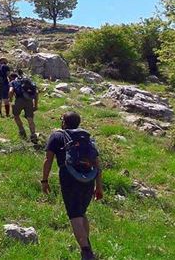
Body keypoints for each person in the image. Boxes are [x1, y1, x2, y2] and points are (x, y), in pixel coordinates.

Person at [42, 111, 103, 260]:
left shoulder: (57, 136)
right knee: (81, 212)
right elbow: (96, 164)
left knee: (74, 214)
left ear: (63, 122)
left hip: (69, 177)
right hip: (88, 178)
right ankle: (87, 245)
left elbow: (48, 160)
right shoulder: (86, 137)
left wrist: (44, 180)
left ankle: (86, 251)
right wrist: (99, 186)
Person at [8, 72, 39, 142]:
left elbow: (10, 91)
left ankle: (22, 131)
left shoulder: (13, 82)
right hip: (29, 101)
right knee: (30, 119)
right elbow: (36, 93)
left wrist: (10, 99)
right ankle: (33, 135)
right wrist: (36, 105)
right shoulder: (29, 82)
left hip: (19, 100)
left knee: (16, 115)